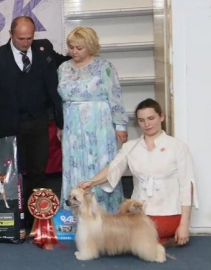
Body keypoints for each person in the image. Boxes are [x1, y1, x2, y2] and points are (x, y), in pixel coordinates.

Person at [0, 16, 68, 233]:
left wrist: (87, 56)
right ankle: (11, 220)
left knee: (38, 171)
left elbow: (66, 61)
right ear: (10, 34)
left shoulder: (44, 50)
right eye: (21, 38)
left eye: (29, 38)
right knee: (8, 173)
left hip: (38, 122)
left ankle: (36, 221)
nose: (26, 42)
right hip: (7, 123)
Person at [80, 99, 197, 245]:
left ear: (161, 116)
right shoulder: (130, 147)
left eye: (151, 118)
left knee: (132, 237)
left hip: (168, 215)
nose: (147, 124)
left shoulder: (178, 146)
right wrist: (91, 182)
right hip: (137, 214)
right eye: (141, 120)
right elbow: (112, 169)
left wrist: (184, 225)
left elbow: (187, 187)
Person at [58, 27, 128, 212]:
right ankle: (74, 214)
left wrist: (120, 125)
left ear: (90, 46)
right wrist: (61, 126)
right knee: (73, 166)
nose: (74, 51)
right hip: (72, 124)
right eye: (71, 47)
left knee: (100, 164)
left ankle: (105, 214)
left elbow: (115, 96)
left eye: (79, 48)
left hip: (99, 124)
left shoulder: (104, 67)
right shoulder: (63, 68)